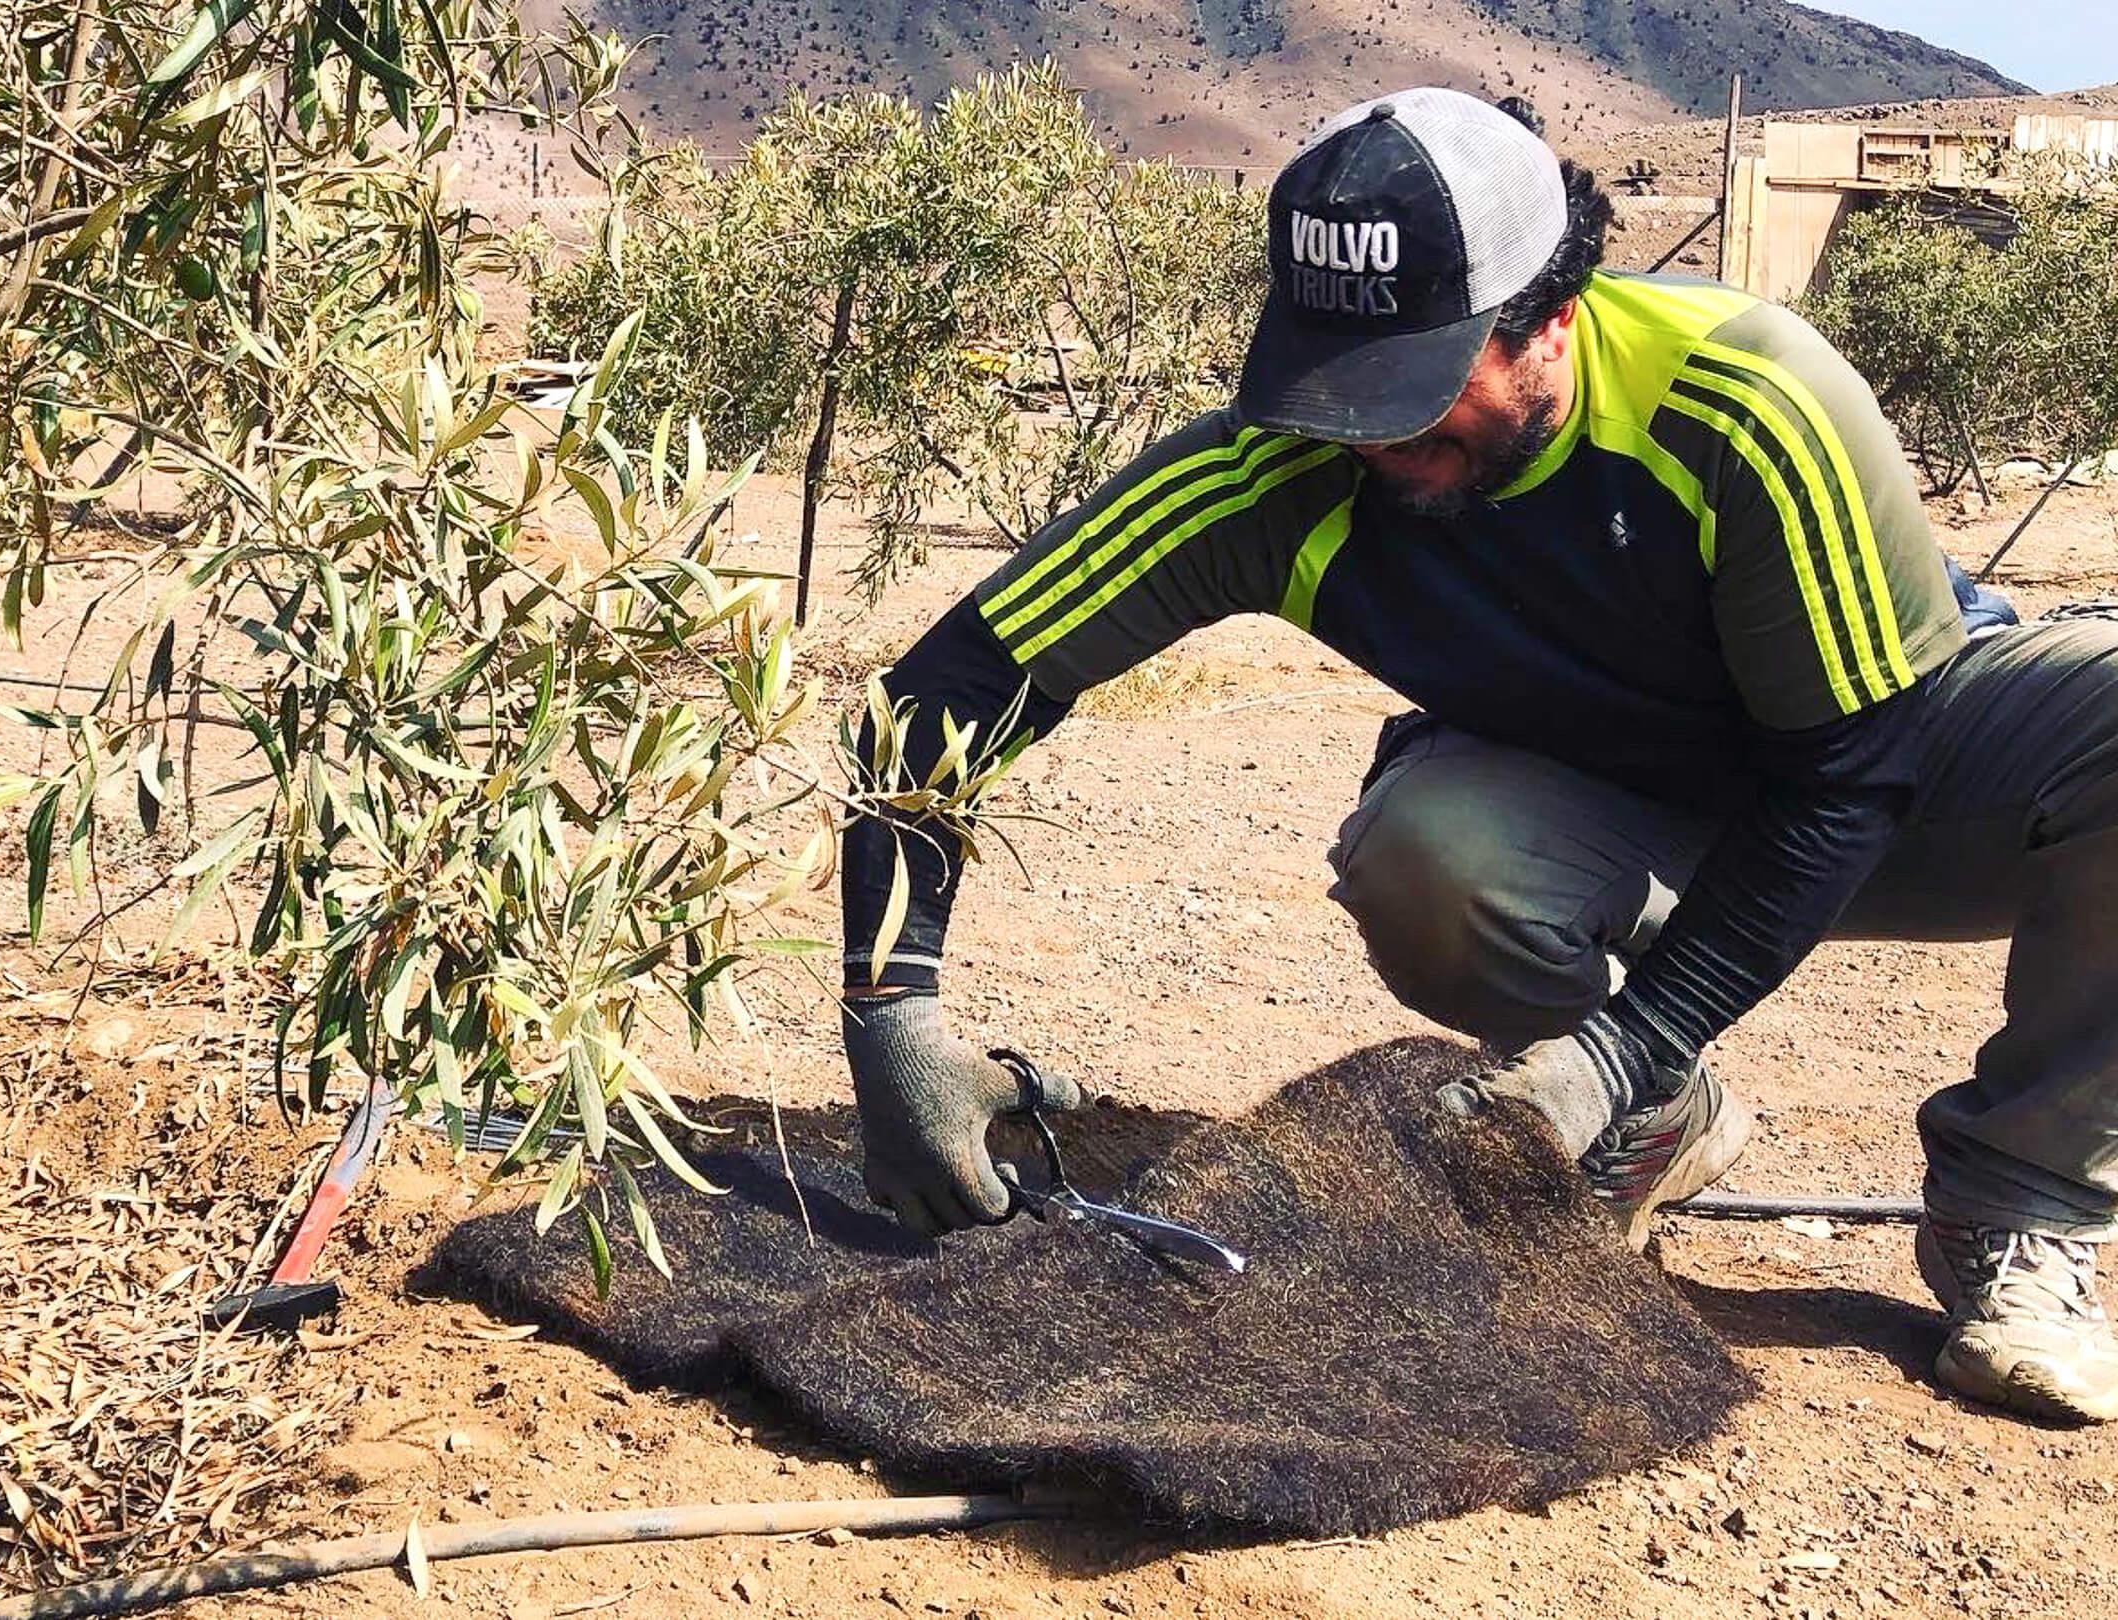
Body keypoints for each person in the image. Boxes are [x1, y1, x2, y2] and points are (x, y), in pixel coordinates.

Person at [836, 88, 2118, 1424]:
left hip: (1893, 772)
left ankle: (2021, 1207)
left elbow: (1853, 774)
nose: (1375, 437)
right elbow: (953, 686)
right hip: (1616, 807)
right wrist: (891, 1012)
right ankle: (1655, 1121)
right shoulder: (1281, 466)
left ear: (1551, 316)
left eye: (1419, 389)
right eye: (1341, 384)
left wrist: (1620, 1044)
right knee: (1429, 856)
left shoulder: (1750, 400)